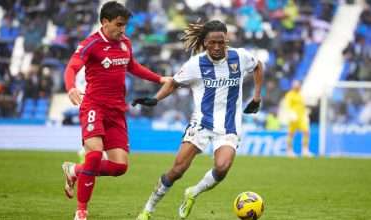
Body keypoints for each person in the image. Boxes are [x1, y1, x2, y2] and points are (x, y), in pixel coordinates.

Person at [133, 20, 264, 220]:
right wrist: (155, 99)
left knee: (222, 168)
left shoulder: (240, 56)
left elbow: (258, 66)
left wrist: (256, 97)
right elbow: (174, 83)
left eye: (221, 42)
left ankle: (192, 193)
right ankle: (148, 209)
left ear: (226, 39)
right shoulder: (195, 64)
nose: (218, 47)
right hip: (201, 124)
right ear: (204, 43)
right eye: (213, 42)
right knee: (177, 170)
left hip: (229, 126)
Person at [61, 2, 171, 220]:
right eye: (119, 25)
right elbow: (72, 67)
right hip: (93, 106)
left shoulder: (125, 43)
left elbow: (133, 66)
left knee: (119, 167)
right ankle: (81, 211)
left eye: (125, 26)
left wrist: (159, 79)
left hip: (116, 110)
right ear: (105, 22)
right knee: (93, 156)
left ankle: (74, 171)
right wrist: (71, 86)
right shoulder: (91, 44)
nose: (123, 30)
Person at [283, 80, 313, 157]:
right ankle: (289, 151)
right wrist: (290, 114)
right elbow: (287, 105)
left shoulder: (300, 95)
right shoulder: (290, 95)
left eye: (297, 85)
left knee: (306, 132)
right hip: (293, 118)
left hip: (301, 117)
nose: (297, 87)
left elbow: (303, 106)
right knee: (291, 134)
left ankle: (305, 150)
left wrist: (306, 114)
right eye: (295, 85)